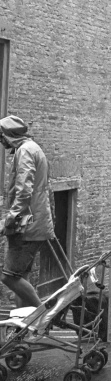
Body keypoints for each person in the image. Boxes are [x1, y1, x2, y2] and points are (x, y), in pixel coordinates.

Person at [0, 116, 54, 309]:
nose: (1, 142)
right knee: (21, 275)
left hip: (27, 225)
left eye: (2, 137)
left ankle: (42, 314)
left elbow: (24, 190)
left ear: (9, 135)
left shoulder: (24, 151)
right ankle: (24, 324)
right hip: (34, 222)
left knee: (9, 277)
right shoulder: (32, 148)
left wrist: (9, 219)